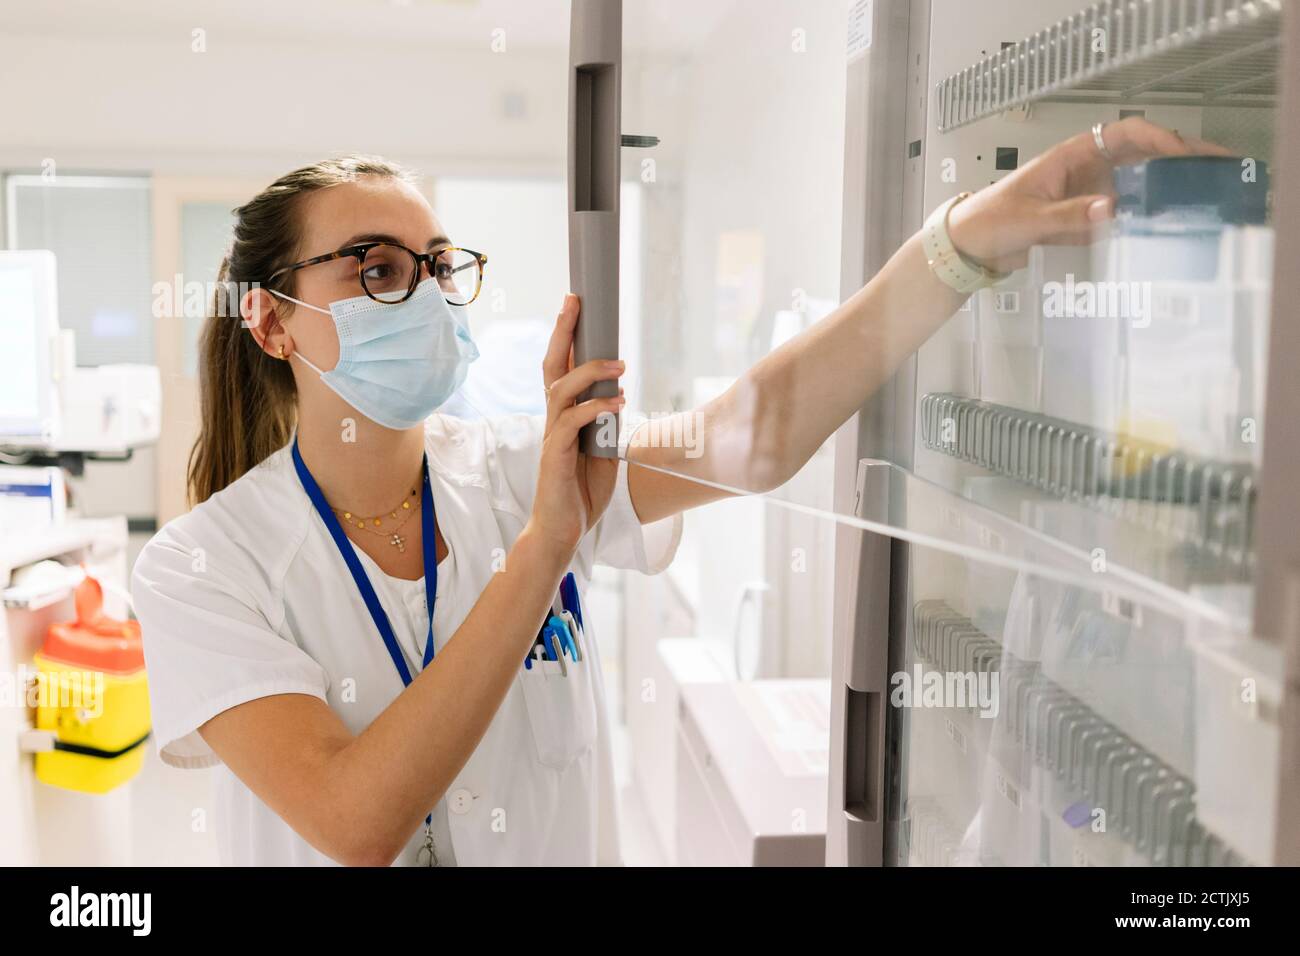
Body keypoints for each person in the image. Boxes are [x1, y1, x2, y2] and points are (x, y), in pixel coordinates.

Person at [131, 118, 1224, 866]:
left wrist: (959, 245)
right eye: (374, 268)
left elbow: (755, 436)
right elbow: (356, 819)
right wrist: (546, 545)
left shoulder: (512, 468)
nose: (418, 294)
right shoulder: (200, 566)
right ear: (271, 320)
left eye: (435, 263)